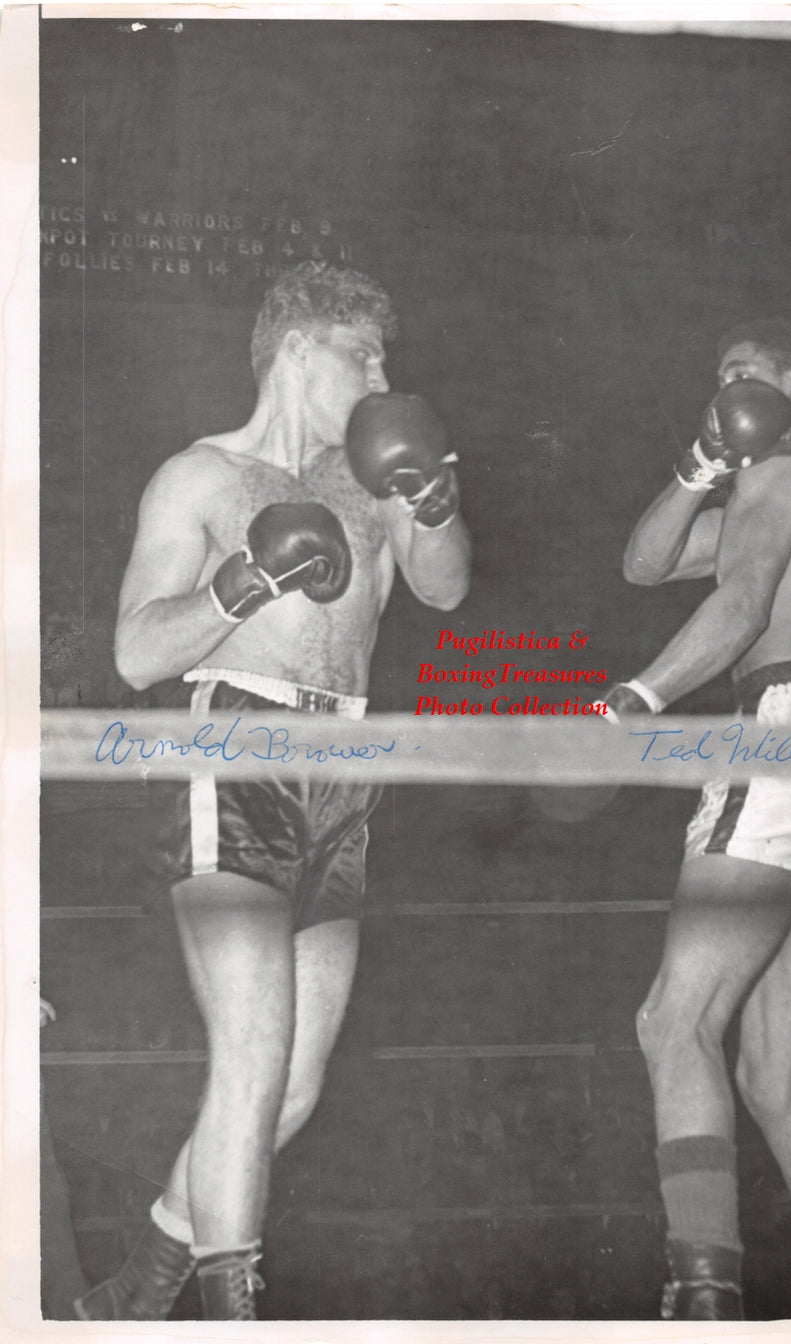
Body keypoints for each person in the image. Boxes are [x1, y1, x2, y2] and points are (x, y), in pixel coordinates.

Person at [75, 261, 470, 1321]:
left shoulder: (373, 475)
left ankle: (143, 1284)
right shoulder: (199, 478)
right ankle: (234, 1317)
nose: (386, 372)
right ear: (302, 349)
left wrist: (431, 498)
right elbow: (134, 654)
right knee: (249, 1059)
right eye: (366, 352)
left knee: (290, 1084)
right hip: (239, 748)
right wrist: (239, 583)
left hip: (346, 771)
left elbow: (445, 588)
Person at [605, 319, 791, 1320]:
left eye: (743, 375)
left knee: (673, 1020)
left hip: (788, 733)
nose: (728, 393)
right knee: (774, 1070)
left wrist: (635, 702)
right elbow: (645, 565)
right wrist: (697, 467)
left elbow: (740, 605)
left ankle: (702, 1302)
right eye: (717, 382)